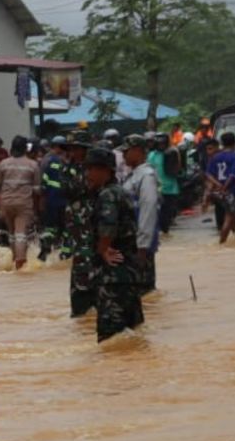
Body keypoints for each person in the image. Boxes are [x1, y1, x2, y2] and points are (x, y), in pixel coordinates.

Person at [84, 147, 144, 342]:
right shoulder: (120, 192)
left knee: (110, 339)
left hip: (113, 277)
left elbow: (108, 226)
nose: (87, 175)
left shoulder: (108, 195)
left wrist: (102, 250)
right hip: (128, 273)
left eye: (91, 169)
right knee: (131, 335)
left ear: (105, 170)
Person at [0, 135, 41, 270]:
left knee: (12, 233)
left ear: (12, 148)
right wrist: (37, 209)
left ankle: (15, 261)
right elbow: (37, 191)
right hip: (24, 204)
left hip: (6, 204)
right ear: (26, 149)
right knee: (21, 233)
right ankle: (20, 265)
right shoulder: (33, 165)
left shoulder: (3, 164)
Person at [120, 135, 161, 294]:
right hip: (132, 242)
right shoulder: (134, 175)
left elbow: (148, 209)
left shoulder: (146, 176)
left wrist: (142, 246)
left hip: (140, 245)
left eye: (126, 151)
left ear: (137, 151)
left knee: (143, 292)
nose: (123, 155)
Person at [61, 131, 96, 316]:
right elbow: (67, 189)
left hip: (91, 225)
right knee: (80, 266)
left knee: (89, 266)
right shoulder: (68, 169)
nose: (71, 153)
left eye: (75, 149)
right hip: (76, 226)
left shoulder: (94, 169)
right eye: (70, 149)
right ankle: (82, 312)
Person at [203, 131, 235, 243]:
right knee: (229, 216)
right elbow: (232, 175)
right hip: (231, 190)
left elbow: (208, 174)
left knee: (234, 214)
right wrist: (224, 187)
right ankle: (222, 242)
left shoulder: (215, 157)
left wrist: (218, 184)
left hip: (218, 191)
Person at [39, 138, 69, 261]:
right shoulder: (69, 163)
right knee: (66, 229)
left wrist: (42, 201)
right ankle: (64, 256)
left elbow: (43, 183)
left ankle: (44, 252)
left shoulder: (49, 162)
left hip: (51, 201)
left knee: (50, 228)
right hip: (65, 203)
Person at [147, 133, 181, 234]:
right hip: (156, 188)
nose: (161, 145)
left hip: (170, 189)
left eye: (163, 144)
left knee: (167, 215)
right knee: (156, 215)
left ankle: (165, 233)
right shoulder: (152, 155)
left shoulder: (172, 153)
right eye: (159, 144)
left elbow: (178, 168)